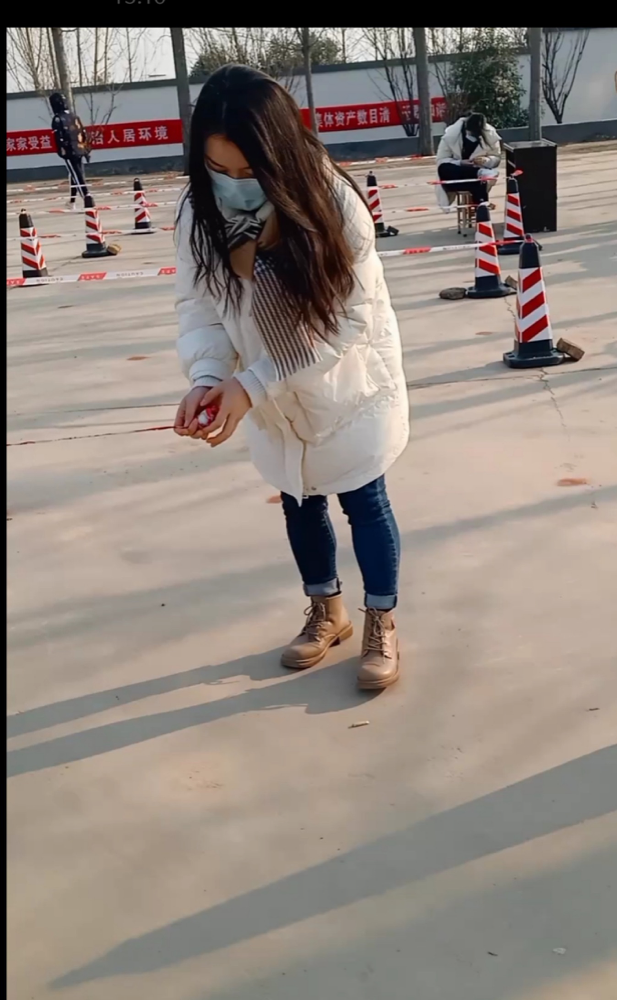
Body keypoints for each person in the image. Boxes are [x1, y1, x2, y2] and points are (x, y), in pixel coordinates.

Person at [173, 65, 409, 691]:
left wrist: (251, 384)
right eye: (218, 168)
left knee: (365, 502)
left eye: (250, 170)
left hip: (346, 386)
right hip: (272, 396)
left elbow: (350, 322)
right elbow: (201, 307)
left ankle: (381, 620)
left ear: (279, 155)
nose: (233, 184)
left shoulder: (332, 205)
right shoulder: (199, 214)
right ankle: (327, 611)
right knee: (299, 502)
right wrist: (207, 376)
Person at [435, 111, 501, 212]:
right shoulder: (450, 136)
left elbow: (496, 157)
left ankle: (482, 208)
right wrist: (461, 163)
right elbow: (441, 160)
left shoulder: (490, 135)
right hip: (456, 177)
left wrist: (486, 160)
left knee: (479, 183)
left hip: (476, 178)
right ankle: (480, 177)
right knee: (443, 168)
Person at [49, 92, 91, 211]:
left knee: (76, 174)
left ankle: (87, 197)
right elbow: (83, 132)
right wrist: (86, 149)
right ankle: (72, 201)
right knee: (75, 174)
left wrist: (61, 150)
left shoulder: (58, 119)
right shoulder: (74, 116)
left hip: (69, 150)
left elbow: (58, 137)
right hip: (80, 148)